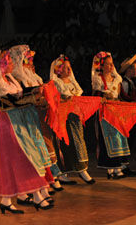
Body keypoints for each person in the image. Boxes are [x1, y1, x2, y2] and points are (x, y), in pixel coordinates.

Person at [0, 48, 53, 214]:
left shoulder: (10, 79)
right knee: (25, 157)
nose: (10, 62)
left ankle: (6, 200)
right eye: (6, 60)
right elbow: (11, 102)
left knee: (15, 161)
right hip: (8, 123)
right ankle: (36, 195)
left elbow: (20, 96)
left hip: (17, 121)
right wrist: (33, 96)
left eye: (9, 59)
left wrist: (34, 92)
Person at [9, 44, 64, 190]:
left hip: (39, 112)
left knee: (46, 142)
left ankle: (50, 177)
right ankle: (45, 179)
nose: (30, 61)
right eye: (27, 58)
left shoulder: (31, 75)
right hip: (28, 114)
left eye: (30, 58)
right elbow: (20, 99)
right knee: (40, 145)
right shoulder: (17, 77)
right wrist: (37, 95)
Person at [50, 54, 95, 184]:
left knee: (79, 142)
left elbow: (78, 96)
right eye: (65, 67)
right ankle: (65, 173)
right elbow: (55, 100)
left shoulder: (72, 81)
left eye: (69, 67)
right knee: (66, 145)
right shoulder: (56, 83)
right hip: (63, 119)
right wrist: (66, 100)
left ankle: (82, 169)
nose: (69, 70)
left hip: (75, 118)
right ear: (58, 70)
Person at [92, 51, 130, 179]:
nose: (110, 66)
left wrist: (134, 102)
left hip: (116, 112)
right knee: (107, 140)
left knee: (118, 139)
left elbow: (122, 95)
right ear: (101, 66)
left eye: (111, 64)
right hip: (104, 113)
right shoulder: (98, 79)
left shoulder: (117, 79)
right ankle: (110, 170)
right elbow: (95, 95)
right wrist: (103, 96)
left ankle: (118, 167)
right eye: (107, 64)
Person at [118, 53, 136, 177]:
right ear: (129, 69)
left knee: (130, 140)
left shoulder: (130, 82)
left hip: (131, 115)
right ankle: (122, 164)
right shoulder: (124, 83)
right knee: (126, 139)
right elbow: (123, 98)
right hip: (126, 116)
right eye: (135, 68)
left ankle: (125, 164)